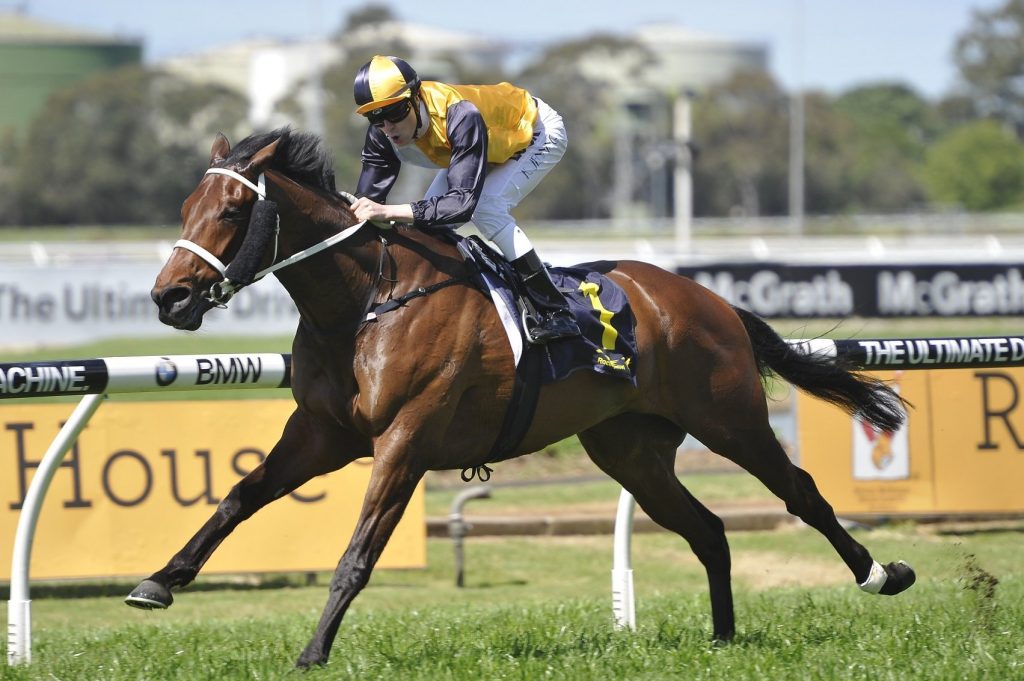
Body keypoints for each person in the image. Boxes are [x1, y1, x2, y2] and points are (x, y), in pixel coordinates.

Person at [349, 54, 580, 344]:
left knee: (486, 208)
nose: (387, 127)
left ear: (416, 97)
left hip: (535, 131)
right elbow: (365, 202)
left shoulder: (460, 115)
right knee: (428, 229)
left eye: (394, 112)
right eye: (375, 117)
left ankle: (556, 311)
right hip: (485, 143)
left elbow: (460, 206)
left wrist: (389, 212)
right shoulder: (382, 132)